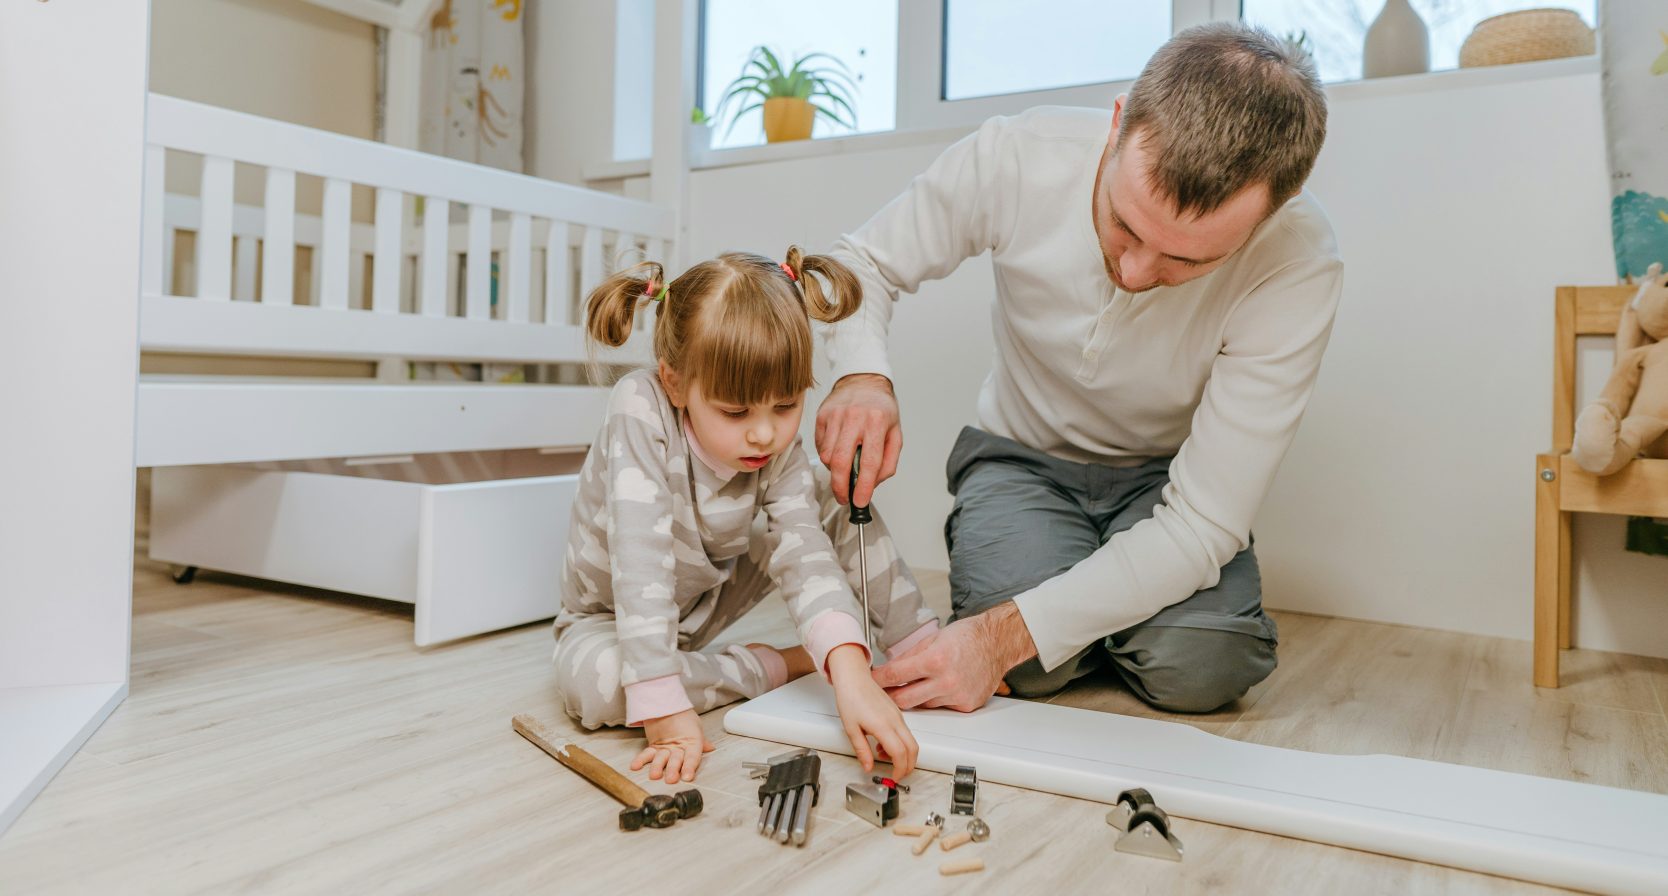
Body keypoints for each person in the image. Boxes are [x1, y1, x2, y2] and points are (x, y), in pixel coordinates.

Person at [814, 23, 1343, 714]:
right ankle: (1103, 614)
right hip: (1021, 461)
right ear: (1119, 123)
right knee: (1031, 671)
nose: (1134, 271)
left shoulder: (1298, 262)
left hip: (1163, 486)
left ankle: (1099, 615)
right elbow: (860, 263)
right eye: (1125, 224)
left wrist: (1004, 636)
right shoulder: (1019, 155)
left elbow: (1202, 523)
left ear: (1270, 214)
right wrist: (860, 375)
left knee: (1203, 667)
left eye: (1186, 261)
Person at [552, 247, 939, 785]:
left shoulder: (774, 445)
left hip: (708, 595)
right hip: (612, 620)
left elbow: (804, 553)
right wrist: (664, 713)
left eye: (786, 406)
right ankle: (772, 666)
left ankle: (920, 647)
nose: (764, 433)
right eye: (735, 413)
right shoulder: (638, 406)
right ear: (674, 382)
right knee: (597, 685)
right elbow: (639, 558)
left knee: (830, 493)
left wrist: (850, 670)